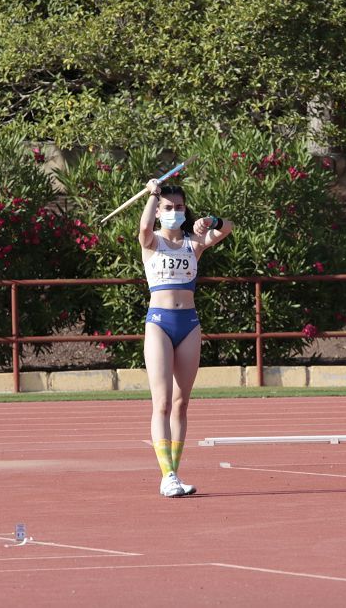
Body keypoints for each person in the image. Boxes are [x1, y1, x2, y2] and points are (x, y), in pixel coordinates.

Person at [139, 178, 233, 497]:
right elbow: (142, 228)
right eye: (168, 208)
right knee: (162, 402)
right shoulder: (152, 243)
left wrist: (212, 221)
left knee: (181, 403)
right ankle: (166, 476)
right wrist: (153, 195)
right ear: (158, 211)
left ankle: (174, 474)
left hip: (189, 323)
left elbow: (227, 228)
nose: (174, 212)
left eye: (179, 207)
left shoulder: (194, 243)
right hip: (159, 324)